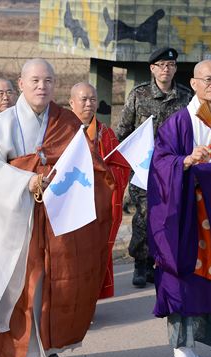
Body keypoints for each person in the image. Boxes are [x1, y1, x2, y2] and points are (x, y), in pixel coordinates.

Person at [0, 59, 113, 357]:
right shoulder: (1, 126)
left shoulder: (66, 123)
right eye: (34, 80)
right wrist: (27, 180)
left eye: (48, 80)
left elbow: (88, 164)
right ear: (20, 84)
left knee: (56, 285)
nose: (41, 86)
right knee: (25, 286)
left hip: (57, 220)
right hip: (17, 218)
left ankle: (50, 348)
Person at [148, 59, 211, 357]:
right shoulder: (178, 123)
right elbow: (160, 164)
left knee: (208, 276)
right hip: (183, 214)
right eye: (207, 79)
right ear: (193, 83)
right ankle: (178, 348)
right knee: (179, 275)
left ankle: (193, 345)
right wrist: (187, 161)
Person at [114, 47, 191, 288]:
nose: (165, 69)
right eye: (161, 65)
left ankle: (160, 262)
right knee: (145, 215)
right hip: (144, 169)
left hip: (174, 168)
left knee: (170, 216)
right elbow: (122, 133)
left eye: (170, 65)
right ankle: (141, 262)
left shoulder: (186, 97)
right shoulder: (139, 95)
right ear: (152, 68)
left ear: (175, 68)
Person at [69, 82, 130, 299]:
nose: (88, 104)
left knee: (96, 252)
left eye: (92, 99)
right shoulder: (60, 131)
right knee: (71, 255)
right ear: (71, 102)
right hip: (71, 205)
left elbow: (122, 166)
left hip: (99, 204)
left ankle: (89, 301)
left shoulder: (106, 133)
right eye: (83, 99)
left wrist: (102, 172)